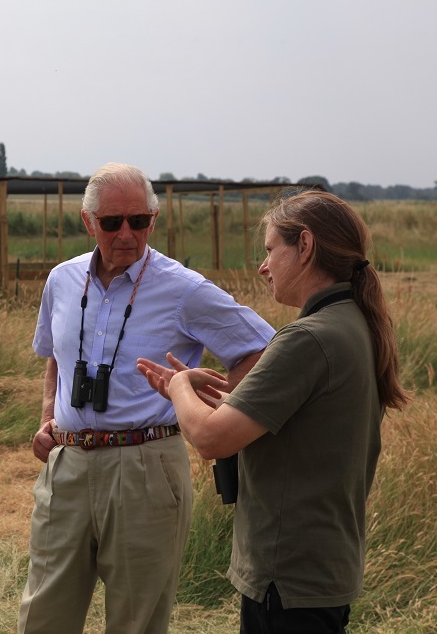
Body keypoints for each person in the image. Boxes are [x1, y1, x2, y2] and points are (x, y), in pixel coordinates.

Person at [18, 162, 274, 634]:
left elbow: (264, 349)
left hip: (146, 466)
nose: (126, 234)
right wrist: (48, 418)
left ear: (153, 221)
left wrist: (218, 407)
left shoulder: (183, 288)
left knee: (137, 622)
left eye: (139, 221)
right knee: (42, 616)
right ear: (87, 221)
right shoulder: (62, 281)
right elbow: (53, 355)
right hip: (68, 465)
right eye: (112, 222)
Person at [138, 189, 410, 634]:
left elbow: (210, 439)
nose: (263, 266)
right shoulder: (352, 323)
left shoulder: (308, 338)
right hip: (321, 569)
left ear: (304, 246)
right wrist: (221, 405)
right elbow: (299, 432)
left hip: (287, 576)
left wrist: (180, 386)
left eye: (269, 250)